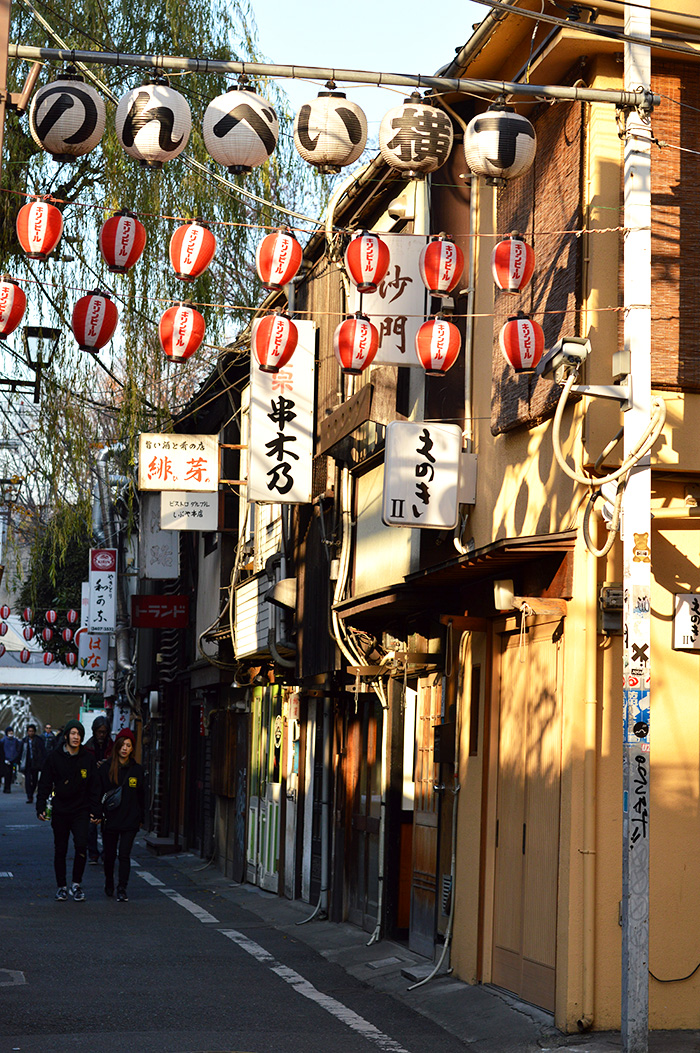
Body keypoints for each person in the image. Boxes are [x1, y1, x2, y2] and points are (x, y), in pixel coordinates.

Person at [36, 719, 100, 902]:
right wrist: (41, 806)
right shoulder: (54, 757)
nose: (76, 737)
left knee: (81, 845)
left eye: (79, 734)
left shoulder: (88, 758)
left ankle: (76, 885)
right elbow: (45, 784)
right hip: (60, 810)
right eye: (72, 734)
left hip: (81, 810)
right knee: (60, 848)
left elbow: (95, 787)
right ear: (66, 737)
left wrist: (96, 810)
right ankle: (61, 886)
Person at [98, 728, 144, 902]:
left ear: (132, 749)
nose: (125, 748)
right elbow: (98, 792)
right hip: (110, 819)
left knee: (124, 854)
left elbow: (142, 795)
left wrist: (142, 819)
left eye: (129, 745)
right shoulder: (106, 768)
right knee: (109, 855)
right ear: (117, 746)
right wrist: (98, 814)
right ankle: (109, 881)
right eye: (122, 744)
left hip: (130, 819)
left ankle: (122, 887)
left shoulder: (137, 770)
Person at [84, 716, 114, 863]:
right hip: (91, 791)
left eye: (104, 732)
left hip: (108, 790)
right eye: (99, 732)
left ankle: (106, 853)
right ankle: (93, 853)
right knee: (91, 825)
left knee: (107, 825)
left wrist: (107, 764)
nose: (101, 735)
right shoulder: (87, 747)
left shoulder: (113, 747)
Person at [20, 724, 46, 804]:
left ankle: (32, 792)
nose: (30, 733)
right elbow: (21, 752)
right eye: (29, 731)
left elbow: (42, 752)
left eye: (32, 731)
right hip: (27, 763)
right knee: (27, 780)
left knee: (34, 780)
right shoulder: (24, 741)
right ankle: (29, 795)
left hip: (36, 763)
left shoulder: (39, 740)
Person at [2, 727, 22, 793]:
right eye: (9, 732)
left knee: (11, 774)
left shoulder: (15, 741)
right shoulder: (3, 741)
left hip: (13, 760)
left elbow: (18, 749)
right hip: (6, 760)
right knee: (7, 774)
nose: (11, 733)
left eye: (11, 732)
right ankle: (7, 787)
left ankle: (8, 787)